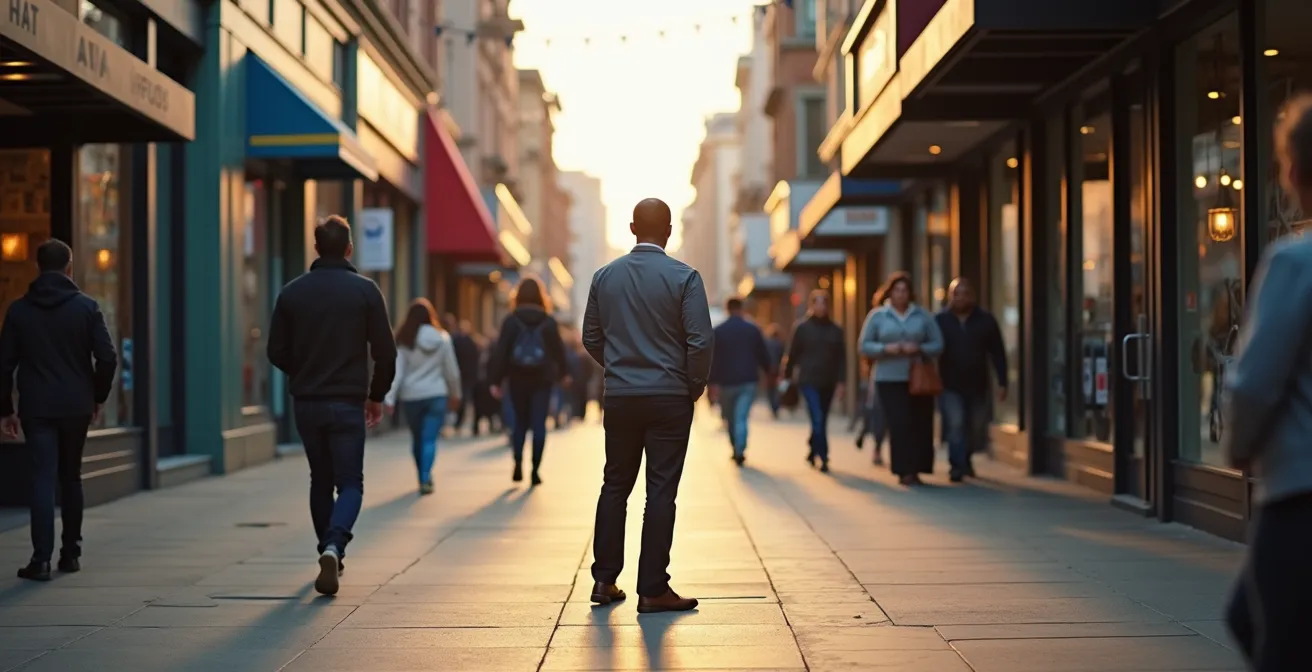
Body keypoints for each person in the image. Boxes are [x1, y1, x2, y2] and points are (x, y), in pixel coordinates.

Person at [583, 197, 712, 614]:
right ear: (669, 230)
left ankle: (604, 580)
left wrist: (619, 368)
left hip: (621, 397)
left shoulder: (604, 277)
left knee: (615, 484)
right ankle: (653, 588)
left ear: (632, 228)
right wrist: (690, 386)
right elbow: (700, 341)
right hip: (669, 397)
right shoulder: (685, 278)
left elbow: (591, 335)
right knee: (661, 490)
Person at [1222, 94, 1312, 671]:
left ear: (1295, 172)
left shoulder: (1295, 262)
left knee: (1271, 634)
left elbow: (1253, 384)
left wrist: (1236, 452)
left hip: (1301, 499)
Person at [267, 215, 396, 596]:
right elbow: (385, 352)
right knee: (350, 482)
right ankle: (334, 545)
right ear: (350, 248)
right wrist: (376, 394)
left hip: (307, 403)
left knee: (320, 480)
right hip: (347, 402)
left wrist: (303, 371)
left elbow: (276, 351)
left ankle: (328, 548)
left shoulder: (292, 293)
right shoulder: (366, 292)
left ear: (317, 248)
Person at [0, 239, 117, 581]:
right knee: (71, 477)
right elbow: (108, 358)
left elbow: (4, 365)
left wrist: (7, 408)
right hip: (76, 404)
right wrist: (97, 395)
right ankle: (70, 554)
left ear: (38, 267)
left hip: (37, 406)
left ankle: (40, 560)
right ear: (69, 267)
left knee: (41, 478)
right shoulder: (86, 307)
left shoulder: (19, 310)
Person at [860, 272, 944, 486]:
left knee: (919, 423)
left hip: (918, 377)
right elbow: (864, 345)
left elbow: (938, 344)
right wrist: (886, 348)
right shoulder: (878, 316)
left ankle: (917, 468)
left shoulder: (922, 316)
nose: (900, 294)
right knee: (899, 423)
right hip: (888, 378)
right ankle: (903, 470)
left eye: (904, 290)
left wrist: (919, 348)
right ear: (890, 293)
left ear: (910, 293)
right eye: (896, 290)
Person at [488, 276, 568, 486]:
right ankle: (535, 470)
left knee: (520, 423)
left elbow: (501, 352)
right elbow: (559, 351)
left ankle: (517, 463)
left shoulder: (511, 320)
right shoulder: (549, 321)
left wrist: (495, 380)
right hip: (542, 379)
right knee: (539, 423)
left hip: (517, 378)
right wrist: (564, 374)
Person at [384, 299, 462, 495]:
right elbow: (451, 371)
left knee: (417, 438)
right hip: (436, 394)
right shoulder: (442, 338)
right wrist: (456, 394)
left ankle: (422, 473)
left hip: (411, 396)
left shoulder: (404, 339)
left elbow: (397, 371)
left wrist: (390, 398)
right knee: (429, 439)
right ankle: (425, 476)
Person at [934, 278, 1008, 482]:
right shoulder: (940, 320)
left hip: (978, 384)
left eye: (965, 293)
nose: (961, 297)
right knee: (956, 423)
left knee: (975, 426)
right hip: (949, 384)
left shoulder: (985, 320)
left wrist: (1002, 382)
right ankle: (956, 466)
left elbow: (998, 353)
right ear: (950, 296)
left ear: (972, 296)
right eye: (956, 293)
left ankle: (965, 459)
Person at [783, 290, 846, 472]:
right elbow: (791, 354)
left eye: (824, 303)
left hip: (829, 381)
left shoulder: (836, 330)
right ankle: (824, 456)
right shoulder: (802, 328)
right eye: (817, 303)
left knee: (821, 419)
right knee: (817, 417)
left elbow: (842, 358)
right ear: (811, 305)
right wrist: (786, 376)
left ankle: (813, 448)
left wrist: (842, 382)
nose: (821, 307)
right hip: (808, 380)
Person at [709, 297, 773, 466]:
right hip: (748, 380)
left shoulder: (719, 331)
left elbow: (712, 360)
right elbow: (763, 355)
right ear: (741, 309)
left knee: (730, 418)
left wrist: (711, 383)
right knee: (741, 416)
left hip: (726, 382)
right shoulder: (752, 330)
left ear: (727, 309)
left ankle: (736, 447)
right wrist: (769, 374)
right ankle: (740, 448)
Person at [445, 314, 480, 434]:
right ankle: (457, 421)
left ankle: (456, 421)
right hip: (466, 376)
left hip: (461, 375)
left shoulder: (454, 341)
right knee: (462, 399)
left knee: (460, 398)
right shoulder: (471, 342)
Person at [763, 324, 786, 418]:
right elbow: (783, 357)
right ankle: (776, 405)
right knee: (778, 388)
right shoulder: (780, 344)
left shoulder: (766, 343)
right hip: (778, 369)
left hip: (768, 370)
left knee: (770, 389)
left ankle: (773, 406)